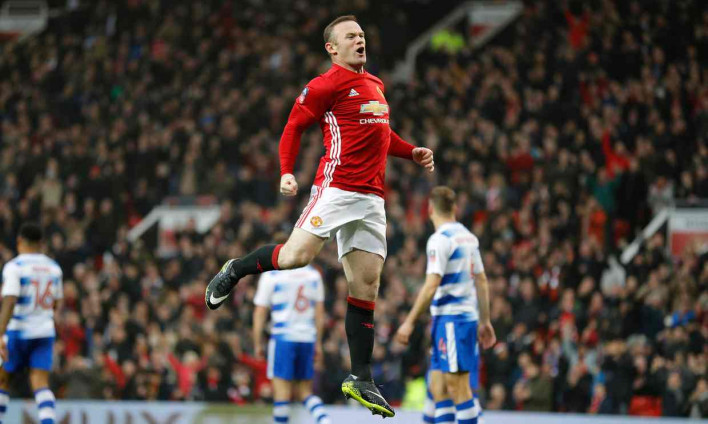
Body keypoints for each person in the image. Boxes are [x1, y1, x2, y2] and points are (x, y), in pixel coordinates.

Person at [205, 14, 434, 418]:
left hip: (372, 197)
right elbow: (293, 127)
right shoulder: (324, 85)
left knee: (367, 285)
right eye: (351, 36)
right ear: (332, 48)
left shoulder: (376, 84)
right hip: (337, 188)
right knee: (296, 257)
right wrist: (286, 171)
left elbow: (381, 133)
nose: (360, 40)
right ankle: (235, 269)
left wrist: (410, 151)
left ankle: (360, 377)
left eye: (362, 34)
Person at [395, 186, 495, 424]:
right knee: (438, 388)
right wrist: (485, 320)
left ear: (430, 209)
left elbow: (431, 285)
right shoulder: (468, 237)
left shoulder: (440, 239)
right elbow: (481, 280)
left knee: (458, 389)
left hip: (453, 320)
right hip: (457, 319)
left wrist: (409, 322)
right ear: (455, 209)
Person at [0, 223, 63, 424]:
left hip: (17, 331)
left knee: (2, 380)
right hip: (44, 332)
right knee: (41, 383)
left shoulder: (15, 267)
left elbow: (10, 300)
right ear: (41, 243)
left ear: (20, 241)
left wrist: (0, 333)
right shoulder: (54, 268)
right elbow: (56, 303)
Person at [253, 263, 331, 424]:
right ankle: (324, 419)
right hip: (307, 337)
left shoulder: (272, 276)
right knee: (305, 392)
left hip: (283, 338)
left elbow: (260, 311)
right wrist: (318, 342)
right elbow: (319, 312)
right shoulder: (313, 274)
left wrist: (257, 343)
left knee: (281, 394)